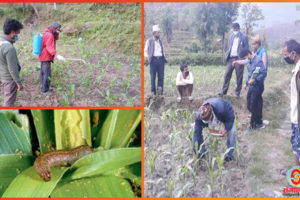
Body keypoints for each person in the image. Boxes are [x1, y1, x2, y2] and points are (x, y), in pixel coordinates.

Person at [193, 98, 236, 162]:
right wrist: (196, 152)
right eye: (205, 121)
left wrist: (226, 130)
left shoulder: (222, 110)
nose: (206, 122)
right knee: (198, 134)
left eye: (208, 120)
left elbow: (230, 118)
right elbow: (196, 135)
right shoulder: (198, 117)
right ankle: (202, 153)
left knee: (232, 132)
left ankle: (229, 155)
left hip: (224, 109)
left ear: (212, 115)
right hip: (213, 109)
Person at [237, 49, 267, 131]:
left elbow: (263, 73)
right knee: (249, 104)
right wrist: (246, 84)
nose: (245, 59)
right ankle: (259, 121)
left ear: (248, 54)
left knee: (253, 105)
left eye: (245, 57)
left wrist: (255, 79)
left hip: (258, 85)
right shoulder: (249, 62)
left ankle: (253, 126)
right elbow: (250, 74)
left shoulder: (258, 60)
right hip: (252, 86)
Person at [283, 39, 300, 166]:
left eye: (286, 54)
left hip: (298, 120)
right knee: (296, 147)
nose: (285, 57)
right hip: (295, 118)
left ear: (293, 53)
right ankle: (296, 176)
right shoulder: (296, 68)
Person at [220, 23, 249, 98]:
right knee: (227, 75)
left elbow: (246, 48)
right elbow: (229, 47)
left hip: (239, 58)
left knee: (239, 76)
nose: (234, 31)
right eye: (233, 29)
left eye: (235, 29)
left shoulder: (244, 37)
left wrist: (245, 58)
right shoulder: (231, 36)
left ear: (239, 29)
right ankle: (224, 92)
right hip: (231, 58)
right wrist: (227, 55)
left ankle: (237, 93)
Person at [0, 18, 23, 106]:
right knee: (9, 99)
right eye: (18, 33)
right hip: (8, 78)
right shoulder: (9, 48)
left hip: (1, 73)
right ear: (12, 32)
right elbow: (12, 68)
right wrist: (18, 83)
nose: (18, 35)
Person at [144, 25, 167, 96]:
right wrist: (149, 57)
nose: (159, 34)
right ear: (154, 33)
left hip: (161, 60)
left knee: (161, 77)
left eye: (159, 32)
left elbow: (163, 50)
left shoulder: (160, 42)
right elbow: (145, 51)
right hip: (153, 60)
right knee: (153, 77)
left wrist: (163, 58)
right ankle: (153, 93)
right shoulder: (149, 41)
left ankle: (160, 93)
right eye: (158, 32)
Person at [39, 22, 61, 95]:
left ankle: (43, 85)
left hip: (43, 55)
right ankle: (45, 90)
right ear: (53, 28)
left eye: (59, 30)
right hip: (46, 56)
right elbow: (49, 47)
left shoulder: (48, 33)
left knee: (43, 72)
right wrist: (56, 55)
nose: (58, 31)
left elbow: (55, 39)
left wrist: (57, 33)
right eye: (57, 29)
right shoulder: (49, 35)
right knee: (47, 73)